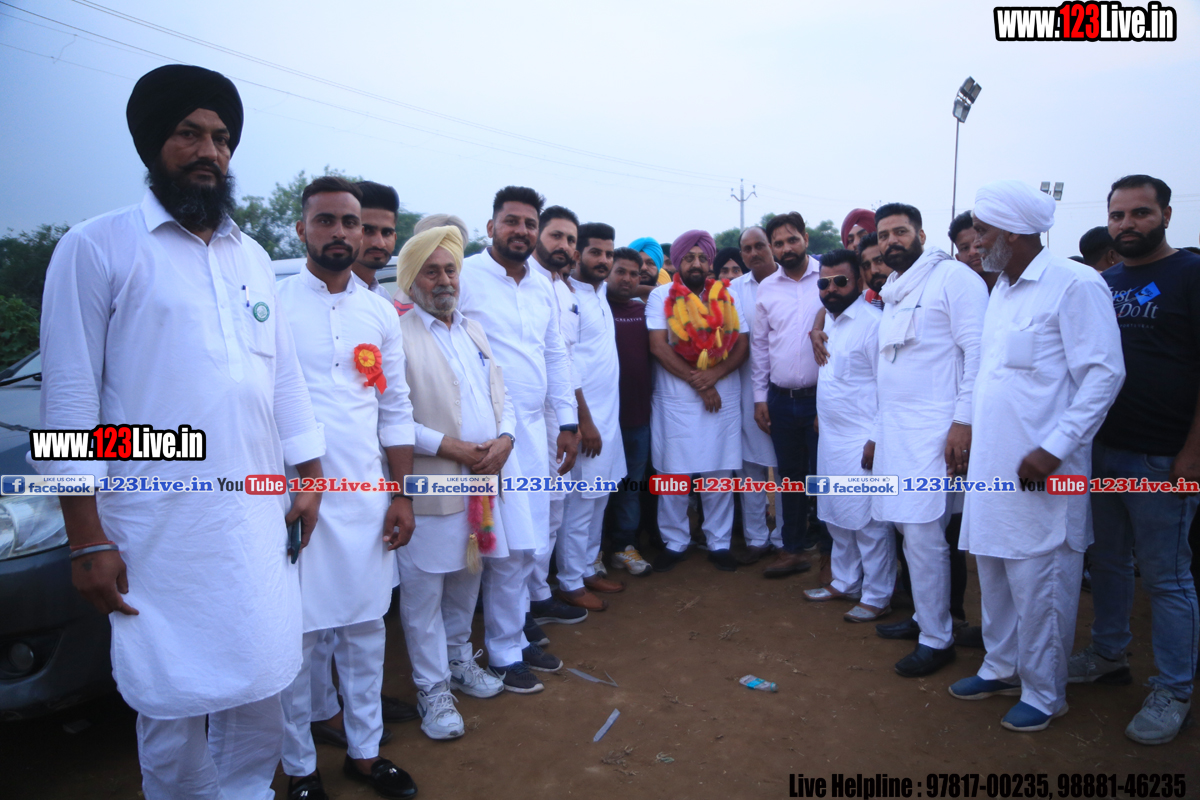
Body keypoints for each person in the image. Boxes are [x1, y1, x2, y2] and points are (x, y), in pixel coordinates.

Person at [36, 64, 326, 799]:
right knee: (170, 704)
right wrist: (86, 538)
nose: (209, 152)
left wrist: (310, 476)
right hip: (158, 527)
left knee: (262, 683)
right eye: (189, 134)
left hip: (256, 515)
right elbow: (68, 403)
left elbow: (284, 381)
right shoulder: (95, 247)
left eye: (222, 138)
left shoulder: (251, 256)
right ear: (152, 143)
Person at [952, 181, 1124, 733]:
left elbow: (1104, 375)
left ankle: (1045, 693)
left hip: (1044, 472)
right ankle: (1000, 667)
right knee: (996, 573)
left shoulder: (1075, 284)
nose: (976, 242)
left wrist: (1054, 449)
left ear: (1015, 232)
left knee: (1041, 582)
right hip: (994, 468)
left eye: (983, 232)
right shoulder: (1001, 291)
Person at [277, 177, 418, 800]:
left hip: (365, 497)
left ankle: (366, 752)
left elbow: (396, 408)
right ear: (302, 229)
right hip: (293, 498)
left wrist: (402, 493)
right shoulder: (275, 304)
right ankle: (300, 768)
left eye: (350, 222)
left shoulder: (379, 311)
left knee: (365, 631)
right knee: (298, 639)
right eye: (326, 220)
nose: (340, 232)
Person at [1071, 174, 1200, 745]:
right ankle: (1108, 655)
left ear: (1166, 215)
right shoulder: (1102, 282)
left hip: (1162, 457)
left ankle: (1174, 688)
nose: (1127, 224)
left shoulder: (1191, 274)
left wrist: (1192, 451)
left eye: (1140, 213)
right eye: (1118, 215)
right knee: (1109, 563)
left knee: (1167, 577)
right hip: (1101, 450)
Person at [393, 225, 515, 741]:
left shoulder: (472, 329)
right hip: (431, 486)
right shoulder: (397, 333)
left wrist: (506, 438)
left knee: (469, 575)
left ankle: (460, 660)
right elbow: (391, 418)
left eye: (450, 270)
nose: (444, 280)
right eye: (431, 271)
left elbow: (501, 394)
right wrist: (453, 447)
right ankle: (432, 687)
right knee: (424, 590)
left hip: (482, 484)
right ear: (410, 279)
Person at [457, 186, 577, 693]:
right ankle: (502, 650)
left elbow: (554, 354)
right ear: (491, 227)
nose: (521, 231)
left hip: (534, 429)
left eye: (530, 223)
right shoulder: (465, 275)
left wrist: (567, 421)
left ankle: (514, 637)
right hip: (488, 435)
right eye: (512, 221)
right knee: (503, 549)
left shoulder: (542, 286)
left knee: (530, 543)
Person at [866, 202, 987, 678]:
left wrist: (963, 422)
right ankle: (924, 617)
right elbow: (889, 371)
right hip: (897, 431)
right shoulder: (894, 290)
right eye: (884, 235)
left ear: (920, 234)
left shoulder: (953, 278)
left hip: (936, 431)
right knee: (904, 528)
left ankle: (938, 640)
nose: (891, 241)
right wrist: (878, 434)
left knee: (923, 533)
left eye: (900, 231)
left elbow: (977, 352)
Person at [647, 229, 749, 572]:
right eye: (689, 258)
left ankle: (719, 542)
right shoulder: (661, 295)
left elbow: (741, 344)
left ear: (710, 262)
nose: (696, 263)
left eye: (703, 258)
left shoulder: (727, 296)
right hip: (677, 398)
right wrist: (700, 383)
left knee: (718, 473)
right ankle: (675, 541)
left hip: (722, 396)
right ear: (678, 261)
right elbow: (658, 346)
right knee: (673, 474)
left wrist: (714, 375)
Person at [803, 250, 894, 623]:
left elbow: (888, 388)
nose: (831, 289)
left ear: (858, 280)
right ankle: (845, 581)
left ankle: (878, 594)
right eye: (824, 283)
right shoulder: (830, 322)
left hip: (862, 440)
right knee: (837, 516)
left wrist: (876, 438)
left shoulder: (874, 324)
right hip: (831, 438)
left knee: (869, 523)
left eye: (840, 281)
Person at [556, 223, 627, 609]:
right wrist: (583, 421)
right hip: (587, 421)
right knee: (580, 504)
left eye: (608, 253)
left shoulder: (599, 293)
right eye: (595, 252)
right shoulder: (568, 297)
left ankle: (587, 568)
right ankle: (569, 581)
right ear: (577, 254)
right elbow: (567, 363)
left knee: (599, 499)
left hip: (609, 419)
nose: (603, 260)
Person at [526, 206, 589, 632]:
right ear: (538, 236)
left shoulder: (564, 291)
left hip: (556, 414)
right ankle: (519, 606)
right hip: (522, 413)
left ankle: (538, 595)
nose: (563, 245)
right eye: (555, 236)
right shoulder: (522, 283)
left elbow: (565, 359)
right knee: (527, 511)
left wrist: (572, 419)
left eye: (570, 239)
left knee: (552, 509)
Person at [752, 212, 824, 578]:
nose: (786, 248)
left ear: (806, 239)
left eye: (792, 239)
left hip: (822, 400)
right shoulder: (767, 288)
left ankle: (832, 558)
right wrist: (760, 397)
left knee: (824, 478)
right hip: (781, 400)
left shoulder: (828, 278)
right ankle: (793, 549)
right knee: (791, 479)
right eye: (778, 243)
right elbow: (760, 347)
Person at [730, 226, 784, 563]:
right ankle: (756, 538)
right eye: (747, 248)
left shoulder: (792, 282)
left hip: (788, 391)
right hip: (747, 392)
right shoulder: (733, 290)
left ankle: (785, 538)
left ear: (771, 247)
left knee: (785, 469)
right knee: (749, 468)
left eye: (759, 246)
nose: (753, 253)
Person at [607, 247, 655, 575]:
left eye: (633, 274)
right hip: (601, 422)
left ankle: (624, 547)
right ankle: (592, 550)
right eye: (620, 271)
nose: (627, 279)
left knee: (631, 489)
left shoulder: (644, 310)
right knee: (596, 491)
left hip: (638, 418)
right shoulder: (594, 306)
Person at [351, 180, 400, 301]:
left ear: (395, 238)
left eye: (386, 233)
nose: (379, 243)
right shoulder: (326, 294)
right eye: (367, 231)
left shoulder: (383, 297)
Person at [949, 210, 993, 290]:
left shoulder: (1013, 284)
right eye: (965, 248)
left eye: (978, 243)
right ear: (958, 258)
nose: (973, 252)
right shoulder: (955, 291)